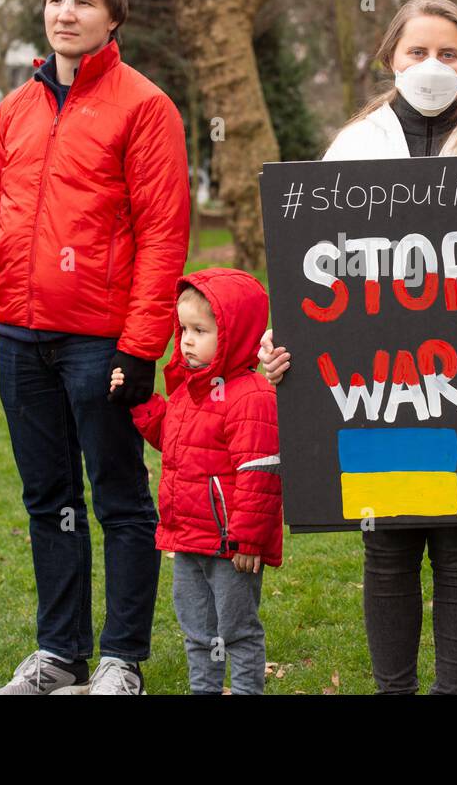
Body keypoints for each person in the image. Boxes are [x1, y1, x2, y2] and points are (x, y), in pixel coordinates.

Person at [258, 0, 457, 694]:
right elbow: (318, 261)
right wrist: (285, 340)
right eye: (417, 52)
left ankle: (452, 690)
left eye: (449, 53)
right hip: (374, 390)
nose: (432, 65)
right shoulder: (356, 142)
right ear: (389, 58)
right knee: (388, 548)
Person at [0, 0, 191, 695]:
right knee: (48, 501)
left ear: (112, 17)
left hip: (101, 342)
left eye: (83, 1)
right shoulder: (14, 110)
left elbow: (163, 231)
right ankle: (58, 656)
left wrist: (141, 343)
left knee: (120, 497)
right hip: (22, 339)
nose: (66, 11)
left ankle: (121, 661)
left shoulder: (145, 106)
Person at [113, 268, 282, 695]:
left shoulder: (251, 395)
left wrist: (248, 539)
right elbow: (174, 441)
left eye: (200, 330)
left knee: (237, 631)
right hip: (187, 537)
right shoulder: (191, 390)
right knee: (197, 632)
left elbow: (260, 470)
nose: (186, 340)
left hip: (230, 545)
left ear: (233, 334)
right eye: (183, 328)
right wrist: (140, 401)